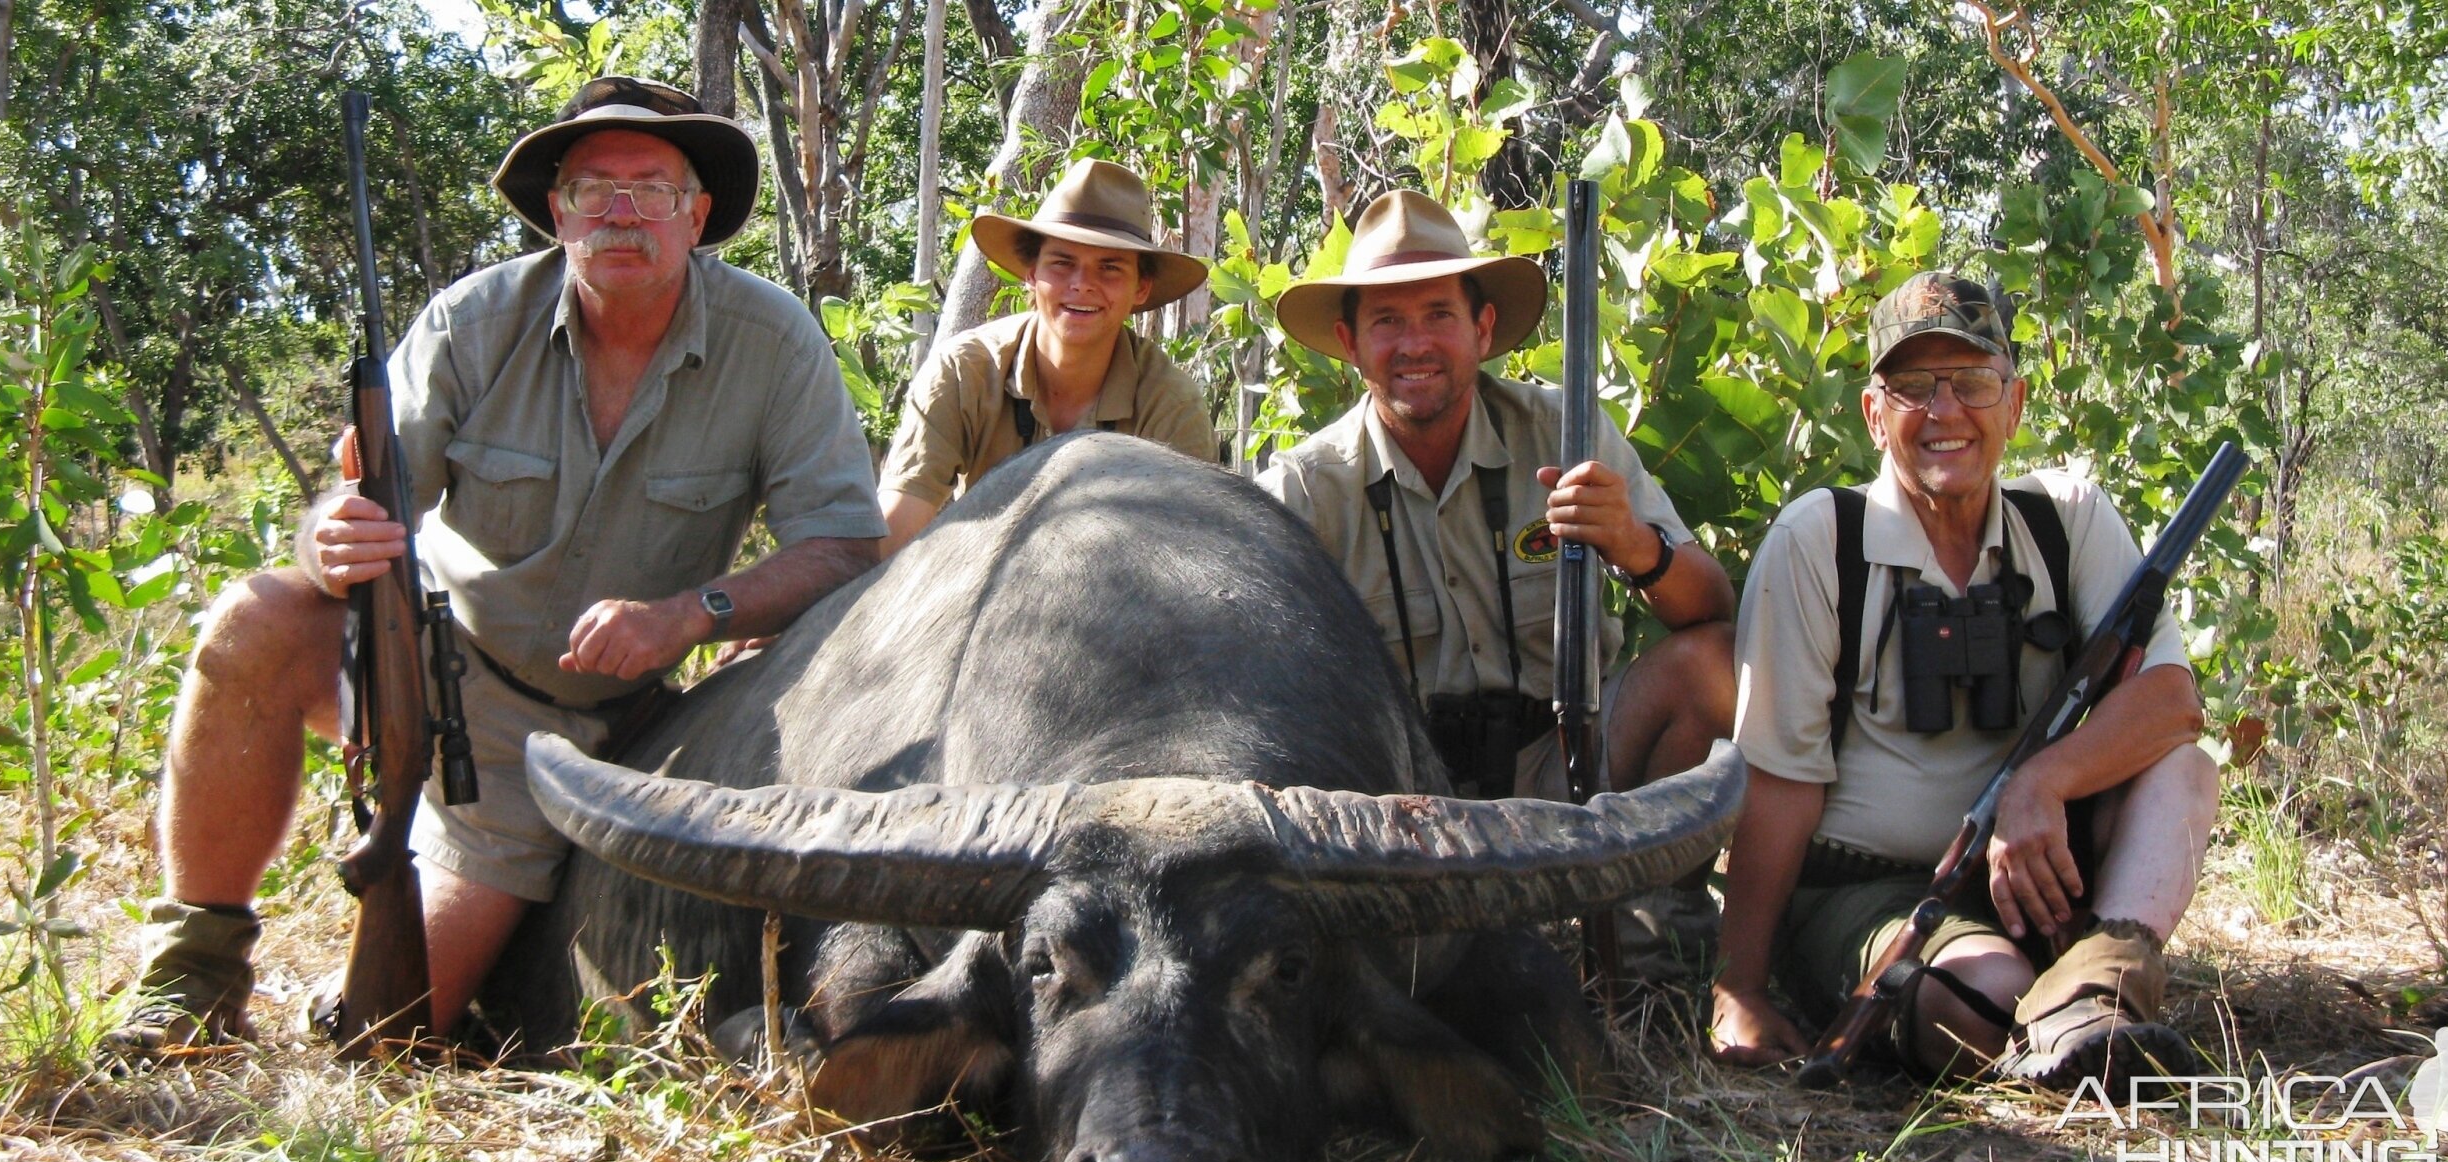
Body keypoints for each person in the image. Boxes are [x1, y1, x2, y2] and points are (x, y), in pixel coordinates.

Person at [107, 76, 888, 1053]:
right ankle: (191, 978)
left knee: (384, 1039)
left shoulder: (774, 344)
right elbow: (353, 502)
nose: (617, 210)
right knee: (255, 616)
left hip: (586, 721)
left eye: (648, 187)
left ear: (696, 216)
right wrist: (329, 539)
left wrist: (694, 612)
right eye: (590, 186)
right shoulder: (471, 322)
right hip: (426, 656)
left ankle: (401, 978)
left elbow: (846, 547)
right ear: (556, 213)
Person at [1709, 270, 2220, 1089]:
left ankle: (2095, 990)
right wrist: (1738, 985)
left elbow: (2172, 703)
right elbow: (1779, 783)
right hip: (1873, 889)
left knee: (2185, 772)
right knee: (1986, 997)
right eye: (1913, 387)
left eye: (1973, 383)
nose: (1944, 412)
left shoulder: (2068, 517)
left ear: (2013, 405)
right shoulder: (1820, 539)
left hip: (2040, 870)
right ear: (1876, 416)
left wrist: (2040, 782)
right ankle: (2048, 1017)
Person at [1255, 190, 1737, 973]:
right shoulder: (1306, 488)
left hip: (1560, 761)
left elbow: (1710, 608)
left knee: (1713, 665)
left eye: (1438, 315)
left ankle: (1648, 928)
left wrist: (1633, 544)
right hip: (1398, 800)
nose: (1415, 344)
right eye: (1387, 321)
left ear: (1482, 328)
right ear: (1347, 342)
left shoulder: (1566, 429)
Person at [878, 159, 1216, 555]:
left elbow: (1189, 561)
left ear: (1140, 288)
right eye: (1062, 263)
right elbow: (892, 530)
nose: (1082, 285)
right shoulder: (962, 371)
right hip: (975, 590)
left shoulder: (1171, 405)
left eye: (1109, 268)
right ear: (1030, 274)